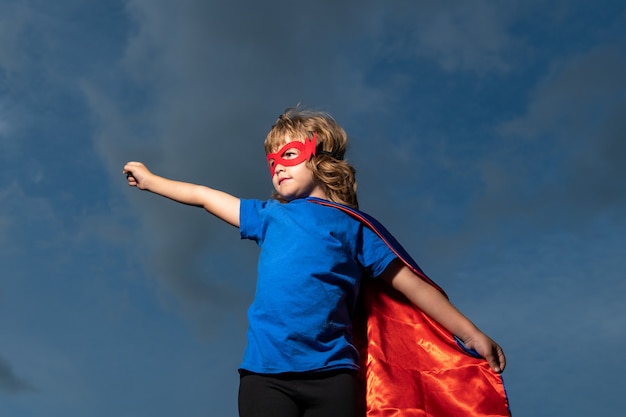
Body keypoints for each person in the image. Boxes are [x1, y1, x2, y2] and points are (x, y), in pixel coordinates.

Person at [123, 107, 507, 417]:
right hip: (264, 375)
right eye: (271, 161)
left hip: (333, 377)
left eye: (288, 155)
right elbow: (204, 195)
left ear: (320, 159)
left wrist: (471, 334)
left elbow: (412, 284)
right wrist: (151, 179)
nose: (277, 166)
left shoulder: (353, 227)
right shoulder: (269, 216)